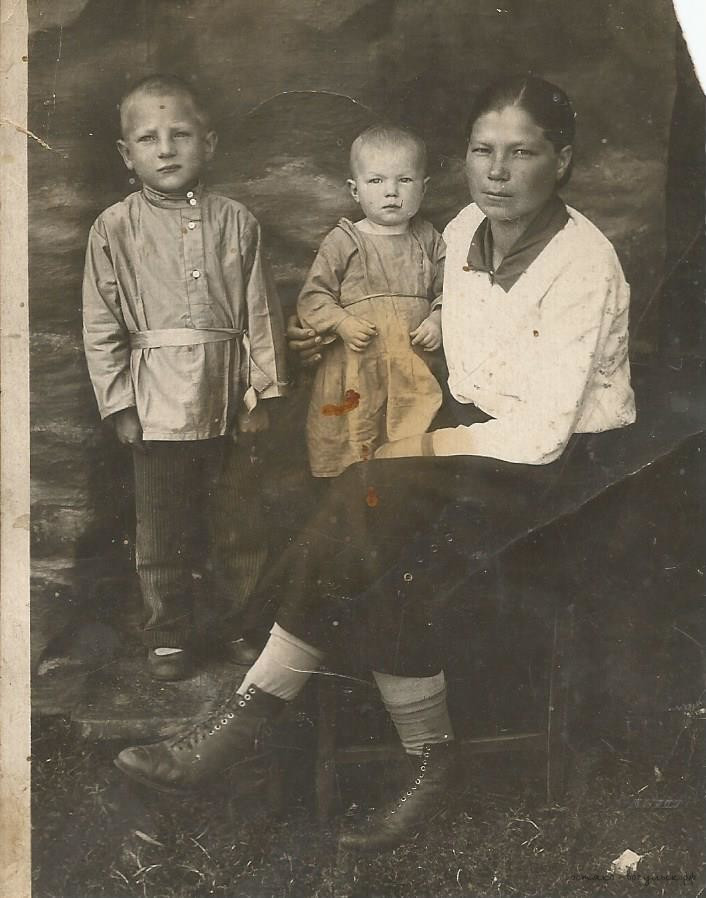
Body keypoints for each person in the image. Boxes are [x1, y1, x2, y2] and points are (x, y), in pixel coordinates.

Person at [114, 75, 635, 852]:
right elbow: (451, 357)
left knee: (373, 517)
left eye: (522, 154)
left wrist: (415, 449)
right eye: (481, 151)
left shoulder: (584, 263)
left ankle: (246, 728)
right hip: (476, 443)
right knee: (362, 522)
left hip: (564, 478)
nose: (496, 172)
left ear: (561, 160)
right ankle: (379, 753)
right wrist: (334, 340)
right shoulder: (462, 230)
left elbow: (541, 437)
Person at [82, 74, 288, 681]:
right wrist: (120, 405)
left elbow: (261, 314)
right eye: (148, 138)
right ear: (126, 154)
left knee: (239, 524)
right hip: (156, 403)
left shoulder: (237, 222)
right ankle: (168, 632)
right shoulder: (114, 228)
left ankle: (240, 625)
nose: (166, 149)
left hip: (229, 396)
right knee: (161, 528)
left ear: (210, 143)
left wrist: (263, 394)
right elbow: (102, 323)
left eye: (181, 134)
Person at [297, 125, 445, 477]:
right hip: (356, 371)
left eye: (404, 180)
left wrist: (438, 318)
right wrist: (341, 322)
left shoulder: (429, 239)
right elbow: (314, 297)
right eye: (376, 181)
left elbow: (454, 290)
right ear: (355, 189)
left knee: (409, 458)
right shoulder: (344, 240)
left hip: (412, 369)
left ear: (424, 188)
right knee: (355, 450)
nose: (391, 192)